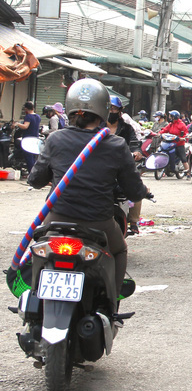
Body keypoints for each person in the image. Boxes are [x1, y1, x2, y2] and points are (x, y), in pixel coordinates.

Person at [27, 78, 148, 298]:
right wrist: (142, 192)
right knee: (119, 250)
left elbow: (35, 180)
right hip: (98, 221)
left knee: (39, 248)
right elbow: (133, 189)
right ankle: (112, 304)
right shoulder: (115, 144)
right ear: (103, 110)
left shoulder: (55, 139)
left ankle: (33, 300)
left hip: (57, 217)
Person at [104, 96, 144, 235]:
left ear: (120, 111)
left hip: (121, 166)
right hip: (101, 166)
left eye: (114, 108)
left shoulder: (126, 128)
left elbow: (134, 142)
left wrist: (136, 152)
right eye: (109, 108)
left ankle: (133, 221)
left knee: (137, 186)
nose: (112, 111)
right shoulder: (98, 125)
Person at [159, 110, 191, 178]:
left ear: (174, 117)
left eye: (170, 116)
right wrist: (159, 133)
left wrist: (184, 137)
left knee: (183, 158)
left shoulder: (181, 124)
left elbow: (186, 133)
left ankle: (188, 173)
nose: (169, 117)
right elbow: (164, 130)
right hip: (170, 143)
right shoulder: (170, 124)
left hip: (179, 144)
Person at [12, 101, 40, 172]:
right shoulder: (37, 117)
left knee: (28, 157)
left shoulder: (28, 116)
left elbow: (25, 126)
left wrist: (17, 124)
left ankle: (32, 173)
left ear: (26, 109)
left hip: (28, 140)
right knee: (33, 157)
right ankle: (35, 173)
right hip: (35, 139)